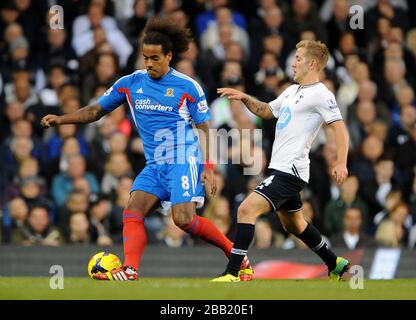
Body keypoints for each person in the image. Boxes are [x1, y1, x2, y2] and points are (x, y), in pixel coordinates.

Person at [41, 17, 252, 281]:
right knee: (133, 208)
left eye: (154, 58)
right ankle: (130, 269)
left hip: (182, 158)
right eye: (145, 57)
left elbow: (205, 130)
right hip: (155, 163)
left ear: (169, 56)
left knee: (183, 220)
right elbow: (96, 110)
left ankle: (235, 254)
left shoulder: (188, 87)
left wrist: (208, 167)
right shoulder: (130, 83)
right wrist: (63, 118)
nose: (149, 63)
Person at [212, 40, 350, 282]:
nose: (293, 62)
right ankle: (335, 263)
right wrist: (244, 97)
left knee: (246, 209)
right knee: (295, 225)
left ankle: (233, 272)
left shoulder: (321, 93)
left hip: (291, 170)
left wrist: (341, 162)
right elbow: (267, 111)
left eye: (298, 58)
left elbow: (339, 128)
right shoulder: (291, 90)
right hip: (280, 167)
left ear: (312, 63)